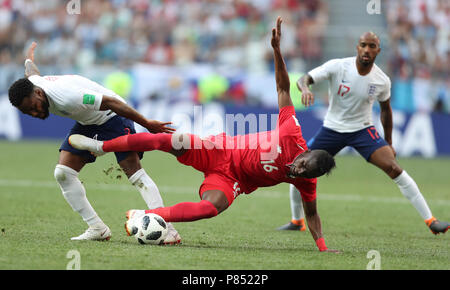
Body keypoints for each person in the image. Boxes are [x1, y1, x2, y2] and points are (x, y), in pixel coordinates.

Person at [69, 17, 339, 252]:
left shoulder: (307, 182)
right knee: (170, 140)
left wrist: (323, 248)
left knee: (210, 208)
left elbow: (312, 215)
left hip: (232, 180)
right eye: (301, 164)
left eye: (304, 173)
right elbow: (282, 89)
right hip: (218, 149)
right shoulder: (292, 133)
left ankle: (147, 214)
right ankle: (102, 146)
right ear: (305, 152)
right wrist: (277, 50)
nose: (297, 170)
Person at [8, 42, 182, 243]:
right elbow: (31, 71)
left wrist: (146, 123)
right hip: (88, 122)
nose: (34, 113)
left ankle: (168, 228)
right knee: (63, 173)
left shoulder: (66, 98)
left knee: (133, 171)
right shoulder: (35, 84)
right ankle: (97, 228)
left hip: (113, 116)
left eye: (33, 107)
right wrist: (29, 57)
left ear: (38, 93)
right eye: (27, 112)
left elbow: (110, 102)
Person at [277, 32, 449, 235]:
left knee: (394, 168)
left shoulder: (382, 80)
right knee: (300, 165)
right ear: (357, 47)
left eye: (372, 46)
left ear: (378, 50)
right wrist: (305, 88)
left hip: (362, 130)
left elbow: (386, 111)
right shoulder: (338, 66)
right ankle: (297, 221)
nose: (367, 49)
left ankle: (431, 220)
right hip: (332, 129)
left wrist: (389, 142)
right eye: (363, 45)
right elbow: (306, 78)